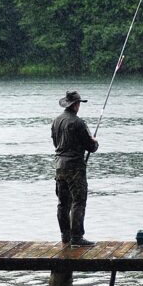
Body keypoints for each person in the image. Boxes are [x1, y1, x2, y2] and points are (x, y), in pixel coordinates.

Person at [51, 90, 99, 247]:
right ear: (76, 105)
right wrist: (94, 141)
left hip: (59, 167)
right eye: (79, 103)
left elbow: (56, 144)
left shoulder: (56, 121)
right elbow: (91, 147)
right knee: (78, 200)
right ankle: (77, 237)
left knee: (62, 203)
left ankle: (65, 235)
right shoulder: (78, 123)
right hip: (75, 168)